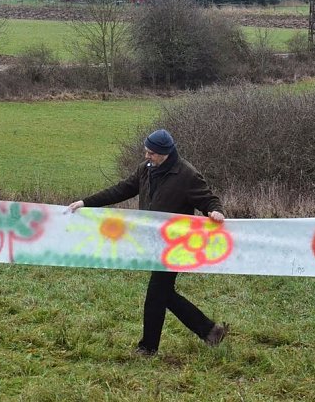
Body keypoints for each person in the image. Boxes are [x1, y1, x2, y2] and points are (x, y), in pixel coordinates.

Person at [67, 129, 228, 356]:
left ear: (165, 153)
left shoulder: (186, 174)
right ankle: (210, 331)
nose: (146, 156)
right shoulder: (145, 170)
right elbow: (121, 189)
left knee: (156, 293)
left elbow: (209, 199)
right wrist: (87, 202)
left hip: (176, 246)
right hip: (153, 244)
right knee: (165, 294)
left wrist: (215, 211)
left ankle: (148, 347)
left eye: (152, 153)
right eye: (146, 151)